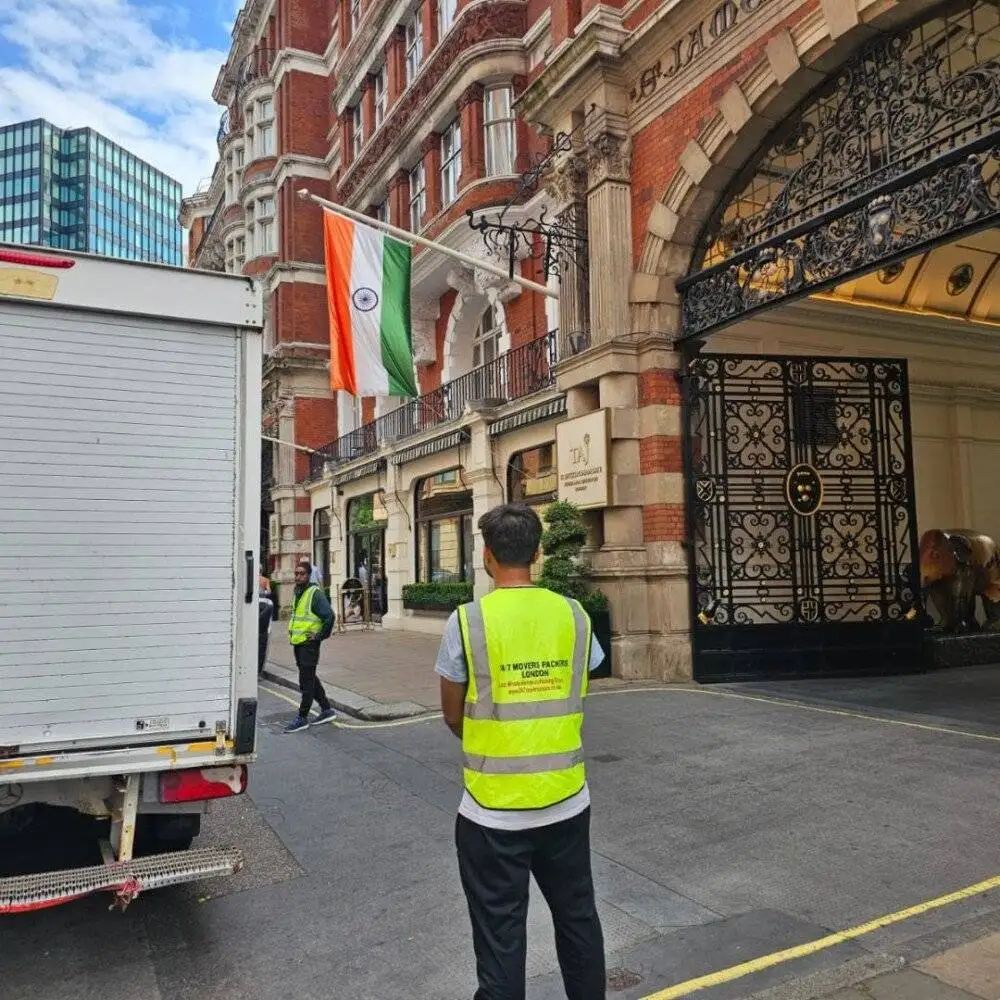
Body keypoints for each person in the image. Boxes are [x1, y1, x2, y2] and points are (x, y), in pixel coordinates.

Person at [435, 502, 607, 1000]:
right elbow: (583, 676)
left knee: (500, 940)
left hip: (492, 814)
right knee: (578, 919)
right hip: (567, 802)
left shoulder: (467, 621)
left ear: (487, 556)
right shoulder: (574, 614)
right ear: (536, 551)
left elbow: (452, 713)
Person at [284, 561, 337, 733]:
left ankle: (302, 718)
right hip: (299, 643)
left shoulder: (314, 593)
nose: (298, 576)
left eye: (302, 574)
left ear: (308, 575)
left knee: (305, 681)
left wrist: (320, 636)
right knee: (310, 678)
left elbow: (329, 616)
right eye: (296, 573)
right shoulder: (298, 592)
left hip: (309, 645)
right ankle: (326, 710)